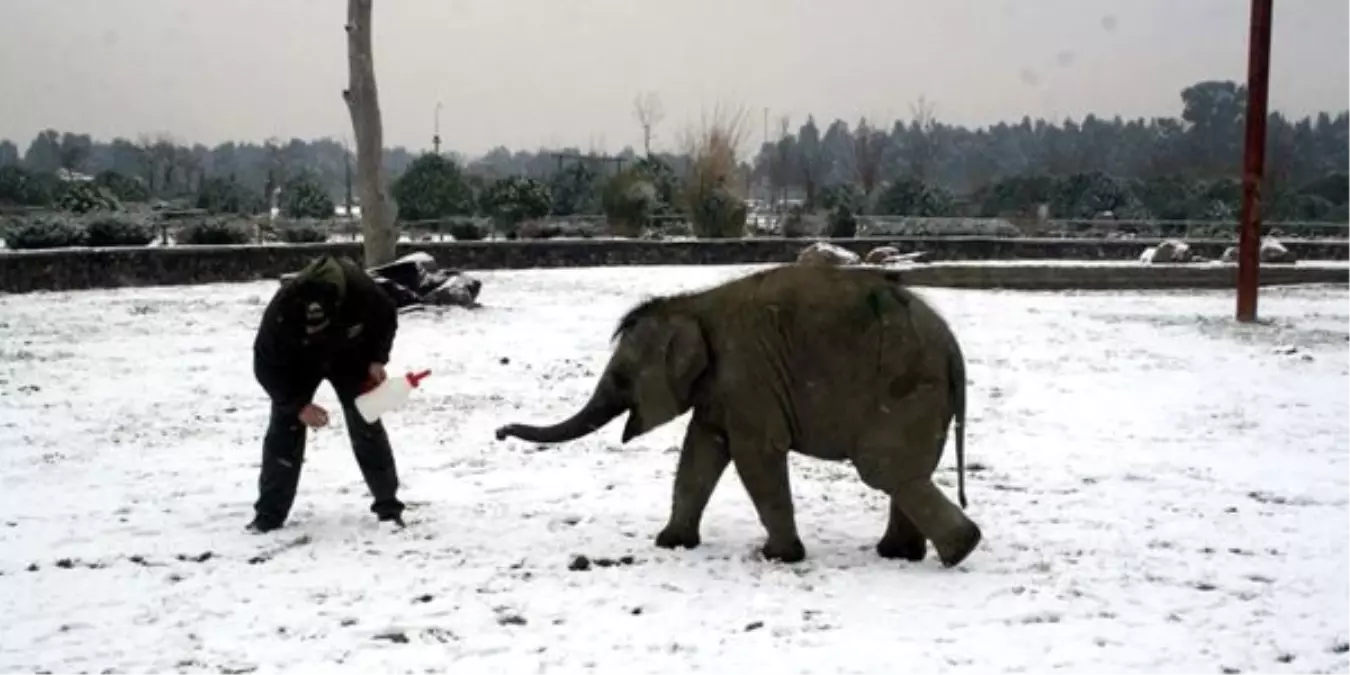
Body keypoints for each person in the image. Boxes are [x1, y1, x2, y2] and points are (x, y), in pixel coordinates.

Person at [247, 254, 407, 533]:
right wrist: (297, 406)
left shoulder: (361, 290)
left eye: (318, 325)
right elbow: (265, 366)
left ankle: (388, 507)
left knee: (365, 419)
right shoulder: (282, 310)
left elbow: (386, 315)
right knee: (284, 428)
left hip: (350, 353)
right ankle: (268, 515)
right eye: (308, 326)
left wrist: (377, 359)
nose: (314, 329)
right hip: (299, 360)